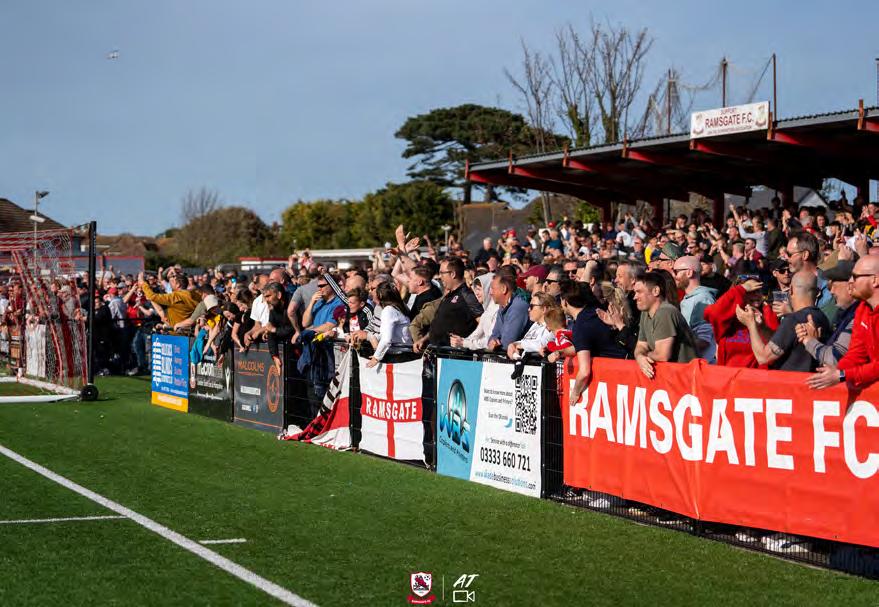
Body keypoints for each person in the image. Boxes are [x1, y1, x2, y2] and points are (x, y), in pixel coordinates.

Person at [807, 255, 879, 389]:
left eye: (855, 277)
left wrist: (842, 375)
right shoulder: (863, 309)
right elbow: (856, 353)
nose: (850, 282)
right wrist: (835, 372)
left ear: (875, 280)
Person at [737, 270, 830, 372]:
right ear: (817, 292)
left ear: (791, 290)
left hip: (791, 380)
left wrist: (751, 325)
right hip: (812, 378)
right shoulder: (822, 317)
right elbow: (782, 342)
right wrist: (763, 328)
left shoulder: (793, 320)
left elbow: (763, 357)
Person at [564, 282, 629, 402]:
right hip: (627, 366)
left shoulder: (581, 325)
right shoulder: (598, 311)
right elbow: (585, 346)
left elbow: (584, 371)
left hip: (619, 378)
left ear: (565, 302)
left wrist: (575, 393)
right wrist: (560, 352)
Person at [633, 271, 697, 379]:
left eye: (639, 292)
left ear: (656, 291)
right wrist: (640, 357)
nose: (635, 297)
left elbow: (662, 355)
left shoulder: (666, 312)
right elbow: (641, 346)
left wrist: (643, 356)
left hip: (685, 378)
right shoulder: (645, 313)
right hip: (671, 378)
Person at [797, 260, 859, 366]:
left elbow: (835, 359)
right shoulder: (844, 314)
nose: (831, 291)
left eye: (834, 285)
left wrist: (809, 340)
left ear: (850, 285)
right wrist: (818, 338)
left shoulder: (858, 317)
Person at [425, 257, 483, 350]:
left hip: (455, 354)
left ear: (453, 274)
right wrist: (424, 339)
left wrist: (467, 342)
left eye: (442, 273)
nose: (440, 276)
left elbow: (483, 324)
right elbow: (439, 323)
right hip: (437, 350)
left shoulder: (467, 296)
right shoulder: (448, 295)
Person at [672, 255, 717, 363]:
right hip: (691, 365)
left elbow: (704, 341)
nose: (674, 276)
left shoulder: (703, 299)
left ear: (689, 272)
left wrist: (671, 347)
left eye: (676, 271)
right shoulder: (691, 298)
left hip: (701, 367)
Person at [366, 283, 413, 367]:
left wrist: (376, 357)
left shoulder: (388, 310)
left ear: (380, 296)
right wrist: (373, 337)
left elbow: (386, 339)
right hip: (405, 353)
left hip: (399, 356)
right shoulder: (399, 307)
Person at [450, 272, 497, 351]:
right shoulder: (487, 310)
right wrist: (461, 341)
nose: (476, 293)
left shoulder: (497, 310)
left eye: (479, 289)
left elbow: (490, 340)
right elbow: (476, 334)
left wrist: (464, 343)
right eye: (475, 289)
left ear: (488, 289)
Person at [486, 273, 530, 352]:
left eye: (492, 289)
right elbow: (494, 335)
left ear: (504, 289)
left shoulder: (518, 307)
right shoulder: (502, 306)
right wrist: (492, 341)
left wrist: (496, 344)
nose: (490, 293)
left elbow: (508, 342)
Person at [506, 292, 556, 360]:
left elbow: (543, 345)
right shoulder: (535, 324)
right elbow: (526, 342)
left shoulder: (553, 325)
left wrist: (518, 345)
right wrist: (513, 345)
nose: (528, 309)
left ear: (544, 309)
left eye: (532, 306)